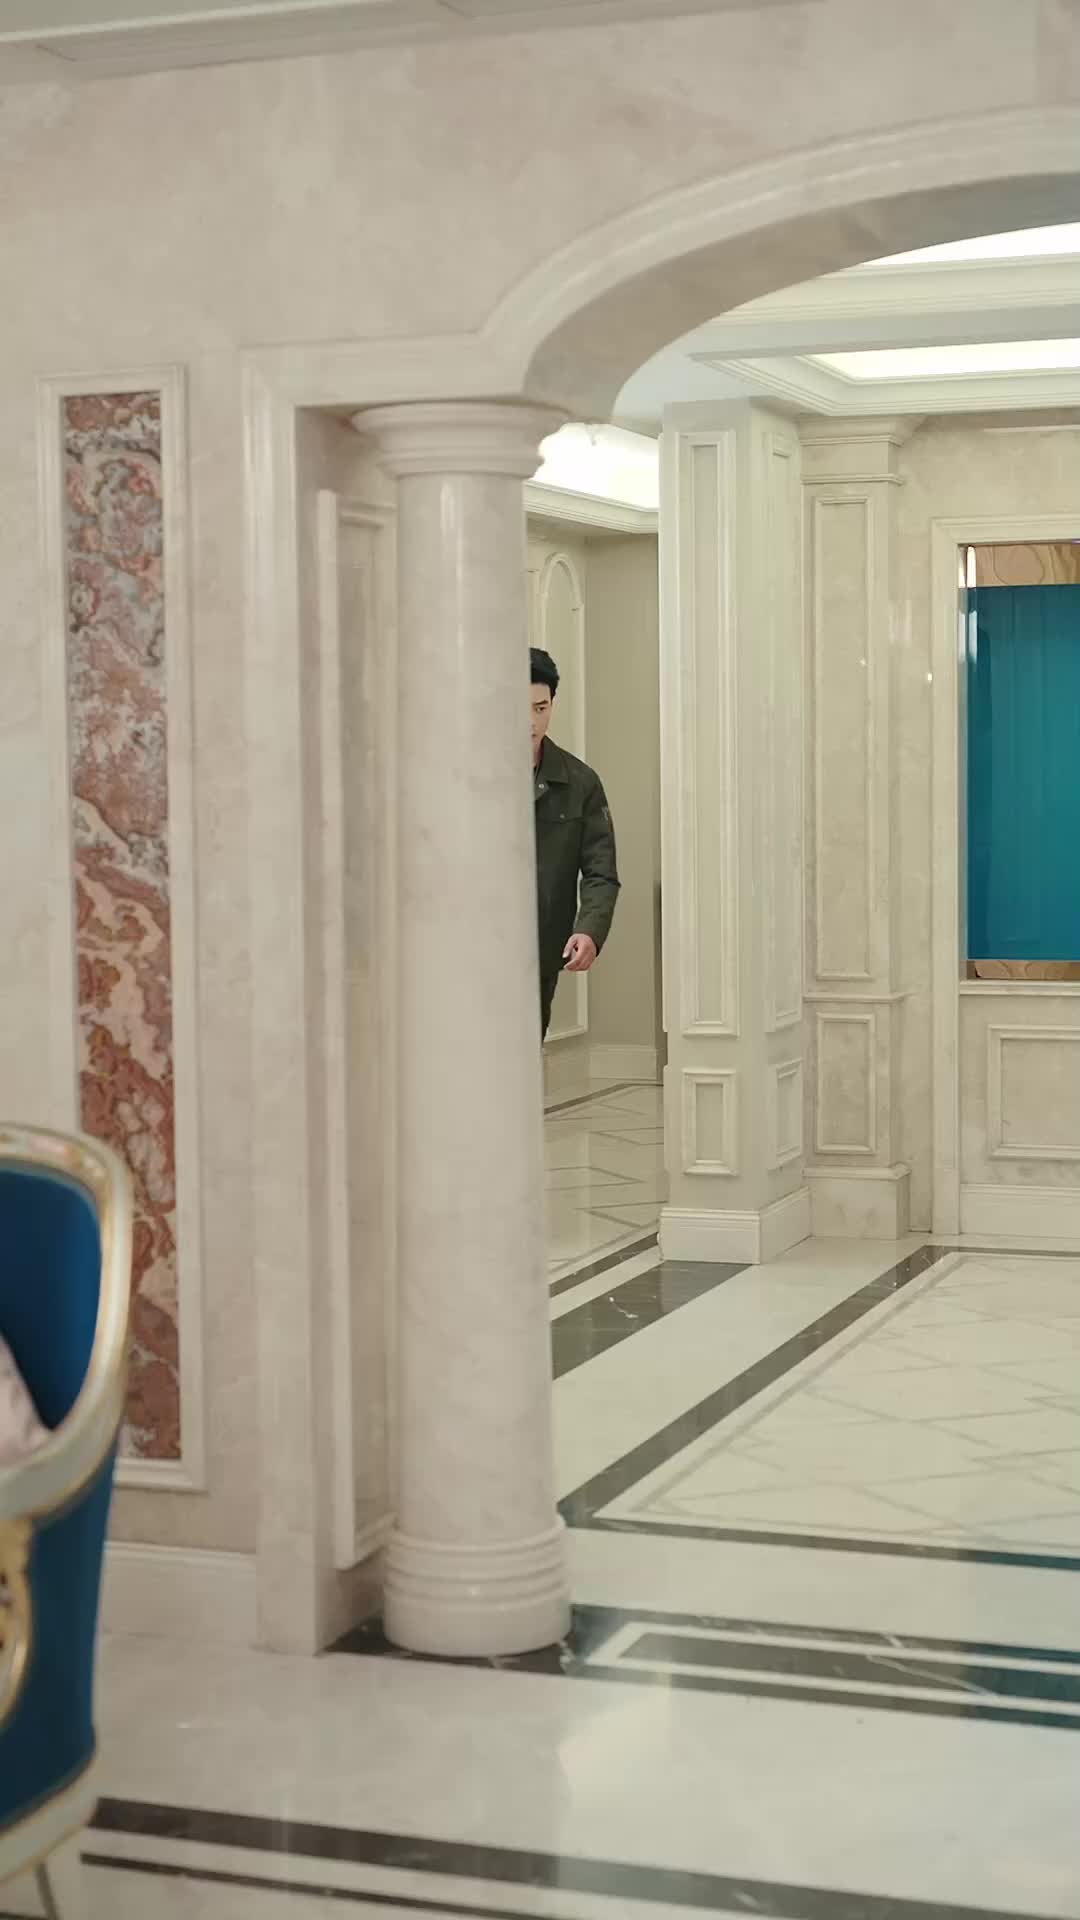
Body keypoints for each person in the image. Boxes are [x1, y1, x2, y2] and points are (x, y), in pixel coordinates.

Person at [530, 647, 620, 1038]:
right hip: (472, 948)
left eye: (540, 708)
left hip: (540, 950)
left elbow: (601, 871)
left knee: (525, 1056)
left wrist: (589, 930)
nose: (531, 721)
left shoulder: (580, 783)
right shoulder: (469, 779)